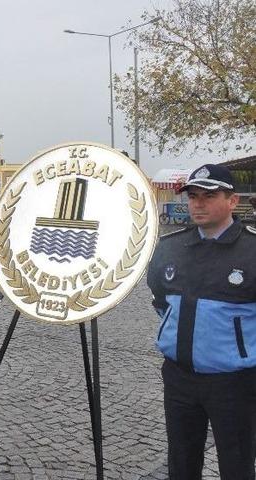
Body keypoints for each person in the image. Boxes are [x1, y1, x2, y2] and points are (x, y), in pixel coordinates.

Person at [147, 164, 256, 480]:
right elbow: (159, 298)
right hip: (179, 378)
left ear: (232, 201)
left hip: (234, 383)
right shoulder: (170, 248)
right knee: (181, 464)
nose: (198, 203)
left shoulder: (252, 250)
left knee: (236, 466)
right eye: (193, 196)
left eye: (208, 196)